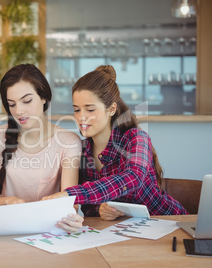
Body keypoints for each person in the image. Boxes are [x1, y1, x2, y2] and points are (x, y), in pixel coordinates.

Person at [43, 65, 188, 220]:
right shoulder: (82, 149)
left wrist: (70, 194)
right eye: (77, 110)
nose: (81, 117)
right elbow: (89, 207)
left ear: (111, 109)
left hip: (167, 222)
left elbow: (132, 178)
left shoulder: (136, 138)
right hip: (122, 233)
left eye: (90, 110)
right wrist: (100, 209)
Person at [0, 64, 83, 232]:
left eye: (27, 101)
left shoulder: (68, 141)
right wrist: (7, 201)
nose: (19, 111)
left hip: (49, 230)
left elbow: (70, 201)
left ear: (43, 97)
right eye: (11, 104)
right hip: (5, 229)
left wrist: (70, 217)